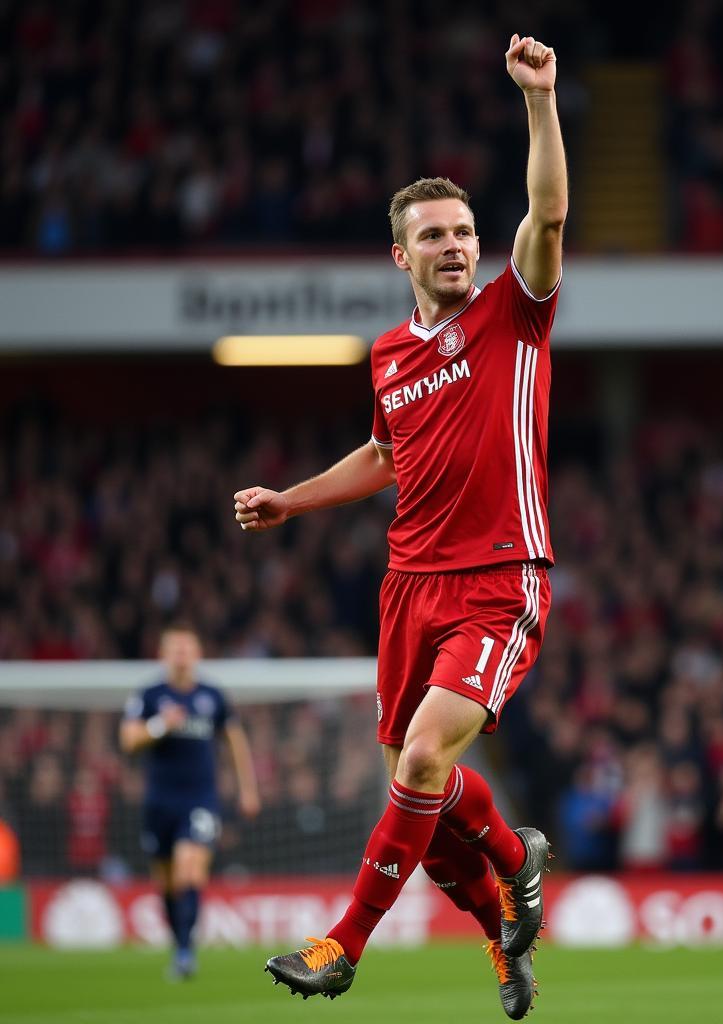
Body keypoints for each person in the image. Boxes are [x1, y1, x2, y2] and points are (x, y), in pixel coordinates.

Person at [233, 32, 566, 1020]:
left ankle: (342, 943)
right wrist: (291, 498)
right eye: (435, 235)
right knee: (423, 801)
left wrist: (538, 101)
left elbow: (545, 209)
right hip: (407, 590)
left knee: (420, 768)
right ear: (400, 254)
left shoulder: (516, 311)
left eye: (464, 230)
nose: (456, 245)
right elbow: (385, 458)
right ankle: (510, 878)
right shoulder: (385, 354)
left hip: (500, 577)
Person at [120, 623, 260, 979]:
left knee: (189, 871)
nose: (181, 655)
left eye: (187, 648)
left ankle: (185, 952)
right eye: (175, 648)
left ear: (197, 654)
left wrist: (248, 788)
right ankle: (180, 942)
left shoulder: (212, 696)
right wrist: (159, 726)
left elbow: (235, 741)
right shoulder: (150, 696)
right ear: (163, 654)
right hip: (159, 801)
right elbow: (128, 740)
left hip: (200, 799)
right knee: (166, 883)